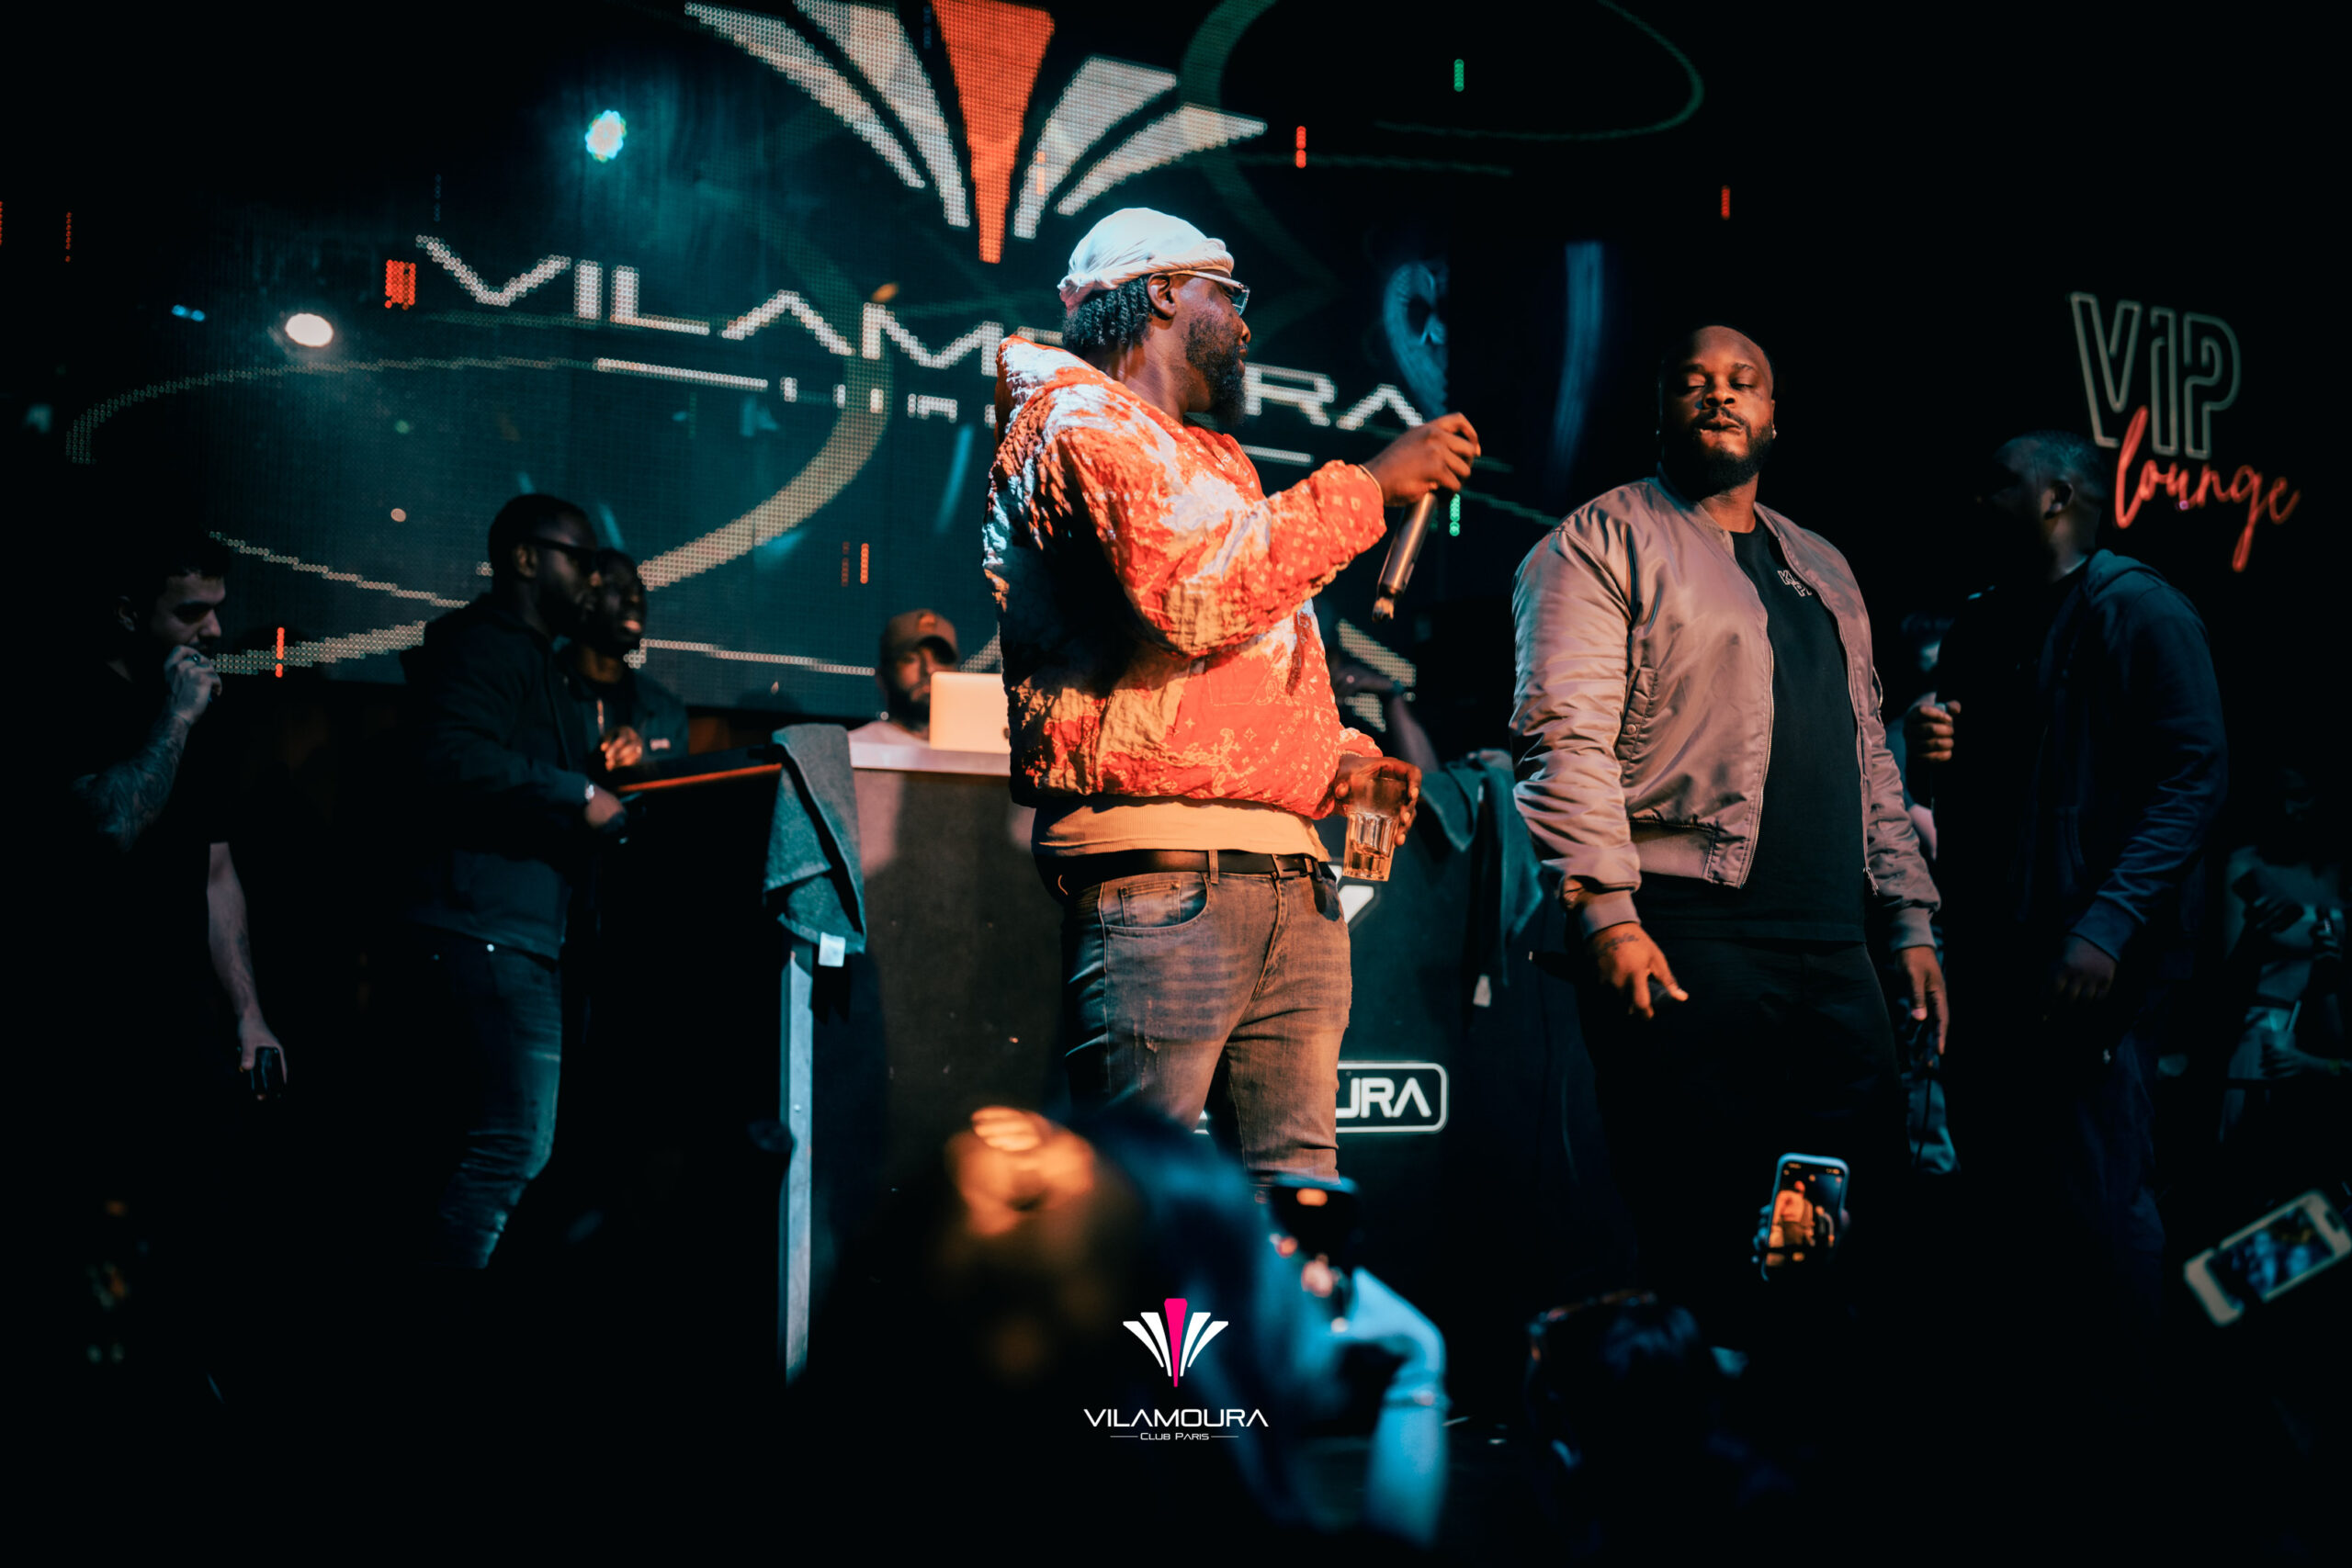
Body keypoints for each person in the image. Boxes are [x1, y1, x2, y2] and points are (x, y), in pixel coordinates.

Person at [983, 207, 1477, 1178]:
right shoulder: (1074, 423)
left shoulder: (1212, 459)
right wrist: (1370, 487)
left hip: (1289, 880)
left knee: (1298, 1209)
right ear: (1165, 292)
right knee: (1148, 1214)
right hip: (1163, 883)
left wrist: (1340, 763)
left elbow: (1245, 662)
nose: (1246, 323)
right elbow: (1189, 597)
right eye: (1229, 294)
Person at [1510, 325, 1944, 1342]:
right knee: (1702, 1219)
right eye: (1694, 381)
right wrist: (1606, 912)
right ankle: (1701, 1421)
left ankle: (1810, 1423)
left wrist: (1910, 921)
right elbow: (1562, 733)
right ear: (1660, 411)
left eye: (1743, 382)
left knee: (1851, 1219)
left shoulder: (1823, 563)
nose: (1719, 395)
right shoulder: (1596, 540)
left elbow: (1869, 754)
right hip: (1687, 928)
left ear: (1773, 417)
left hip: (1833, 940)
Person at [1905, 430, 2226, 1381]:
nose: (1979, 500)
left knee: (2096, 1189)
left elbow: (2194, 778)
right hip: (1993, 957)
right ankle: (2030, 1402)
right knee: (2004, 1190)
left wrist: (2106, 925)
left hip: (2088, 966)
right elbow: (1962, 795)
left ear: (2056, 498)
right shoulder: (1982, 621)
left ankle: (2121, 1415)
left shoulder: (2140, 610)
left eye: (2000, 483)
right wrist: (1928, 751)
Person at [48, 520, 289, 1403]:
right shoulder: (71, 696)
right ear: (127, 611)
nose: (213, 631)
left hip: (181, 1013)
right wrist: (176, 722)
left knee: (197, 1213)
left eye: (218, 610)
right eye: (192, 612)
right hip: (87, 1007)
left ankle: (183, 1388)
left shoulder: (201, 705)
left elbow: (216, 872)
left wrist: (249, 1011)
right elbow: (108, 825)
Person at [398, 493, 626, 1271]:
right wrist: (575, 791)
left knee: (494, 1145)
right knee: (512, 1148)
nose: (594, 578)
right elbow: (447, 756)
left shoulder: (534, 661)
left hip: (504, 934)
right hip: (486, 934)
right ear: (526, 558)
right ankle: (441, 1318)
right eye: (581, 560)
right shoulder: (486, 645)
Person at [563, 548, 687, 773]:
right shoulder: (544, 693)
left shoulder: (666, 710)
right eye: (616, 587)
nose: (634, 598)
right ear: (585, 595)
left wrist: (641, 762)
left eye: (638, 589)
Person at [845, 608, 958, 748]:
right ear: (882, 676)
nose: (929, 669)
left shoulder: (976, 749)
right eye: (911, 659)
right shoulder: (853, 748)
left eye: (941, 660)